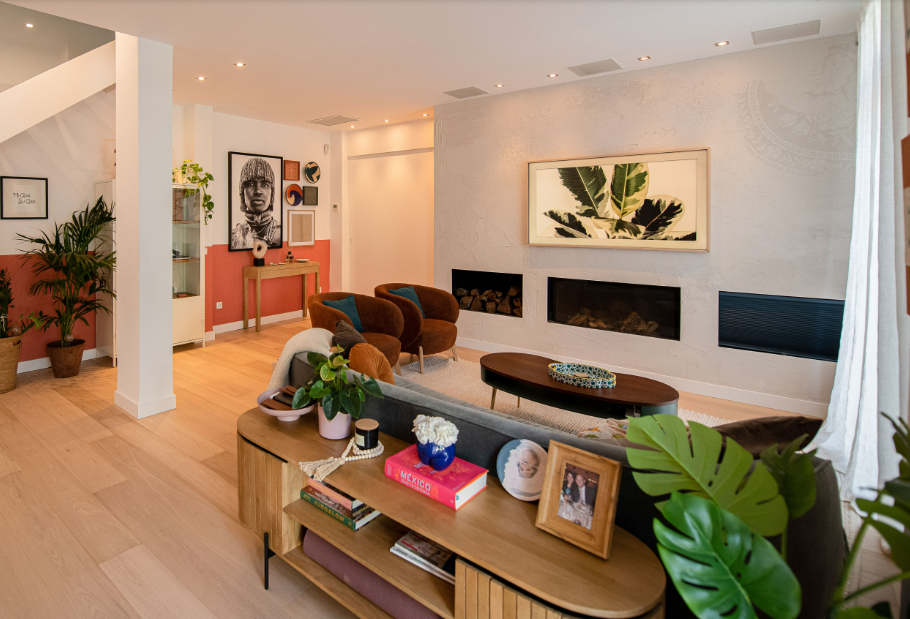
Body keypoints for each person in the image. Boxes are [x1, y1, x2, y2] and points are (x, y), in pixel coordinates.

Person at [231, 157, 281, 249]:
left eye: (265, 185)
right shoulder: (234, 236)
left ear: (272, 193)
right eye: (250, 184)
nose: (258, 191)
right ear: (242, 192)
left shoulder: (281, 233)